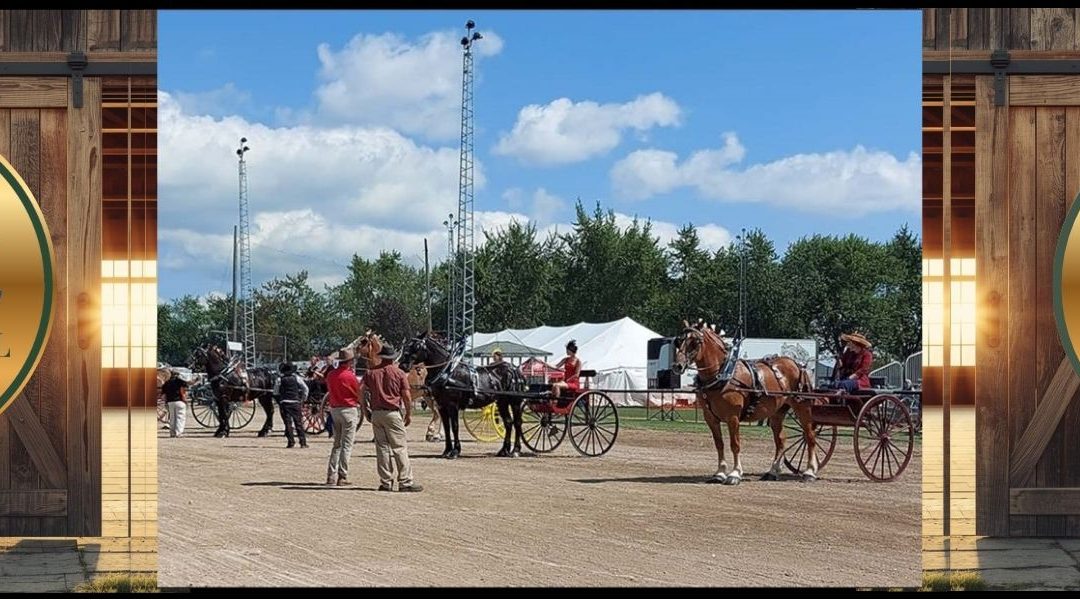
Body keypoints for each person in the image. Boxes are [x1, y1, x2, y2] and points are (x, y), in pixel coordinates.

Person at [358, 343, 423, 492]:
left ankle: (386, 482)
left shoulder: (371, 373)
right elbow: (406, 396)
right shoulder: (399, 373)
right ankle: (405, 481)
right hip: (392, 412)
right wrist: (408, 413)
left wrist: (364, 408)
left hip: (376, 413)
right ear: (393, 358)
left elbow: (360, 390)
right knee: (399, 447)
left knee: (382, 448)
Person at [325, 348, 361, 486]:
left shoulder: (331, 375)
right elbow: (357, 393)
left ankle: (331, 475)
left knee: (337, 445)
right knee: (347, 445)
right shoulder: (350, 376)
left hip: (334, 410)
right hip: (348, 409)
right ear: (350, 361)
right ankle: (342, 475)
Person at [274, 362, 309, 449]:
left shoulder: (279, 379)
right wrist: (303, 398)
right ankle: (303, 443)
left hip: (284, 403)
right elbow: (305, 388)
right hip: (295, 402)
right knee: (298, 423)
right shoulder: (296, 378)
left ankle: (291, 442)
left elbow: (275, 392)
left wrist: (280, 399)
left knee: (288, 423)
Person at [161, 370, 189, 438]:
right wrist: (185, 399)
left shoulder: (166, 383)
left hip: (170, 402)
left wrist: (165, 403)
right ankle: (178, 433)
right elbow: (184, 389)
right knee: (180, 417)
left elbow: (164, 395)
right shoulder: (180, 381)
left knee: (172, 418)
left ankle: (172, 433)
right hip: (179, 401)